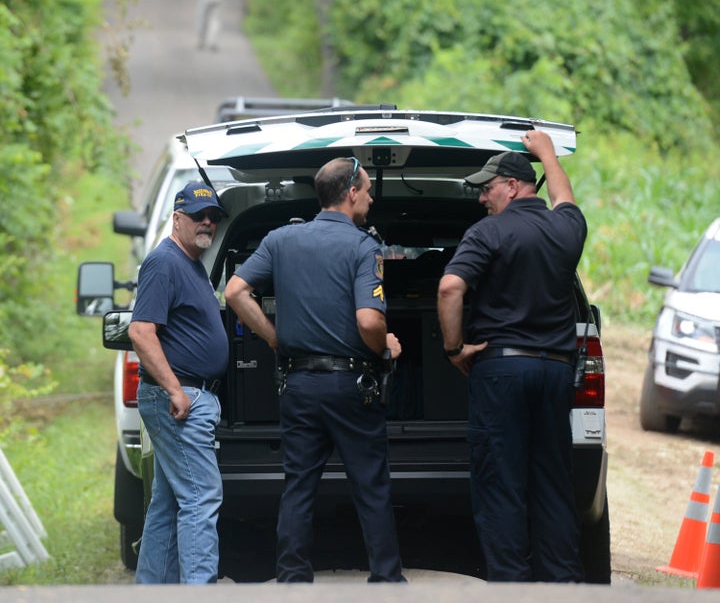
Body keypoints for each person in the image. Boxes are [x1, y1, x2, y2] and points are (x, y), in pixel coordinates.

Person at [224, 157, 405, 584]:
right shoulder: (364, 247)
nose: (372, 197)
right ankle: (387, 582)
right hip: (351, 385)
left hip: (299, 384)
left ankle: (292, 582)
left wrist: (275, 337)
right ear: (351, 193)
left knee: (299, 487)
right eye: (367, 189)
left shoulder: (281, 239)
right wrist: (387, 348)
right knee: (371, 487)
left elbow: (234, 291)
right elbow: (369, 321)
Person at [437, 130, 587, 583]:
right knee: (553, 483)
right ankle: (563, 587)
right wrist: (546, 153)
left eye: (488, 188)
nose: (483, 199)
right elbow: (563, 195)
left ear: (515, 186)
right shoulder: (566, 228)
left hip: (502, 370)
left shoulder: (488, 232)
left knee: (501, 483)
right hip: (556, 373)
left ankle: (511, 587)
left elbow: (449, 288)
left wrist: (454, 348)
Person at [129, 181, 228, 584]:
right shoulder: (164, 261)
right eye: (198, 216)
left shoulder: (192, 262)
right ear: (176, 219)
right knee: (201, 499)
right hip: (178, 399)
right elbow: (140, 331)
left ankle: (150, 590)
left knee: (168, 505)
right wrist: (174, 389)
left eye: (213, 217)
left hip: (187, 394)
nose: (207, 222)